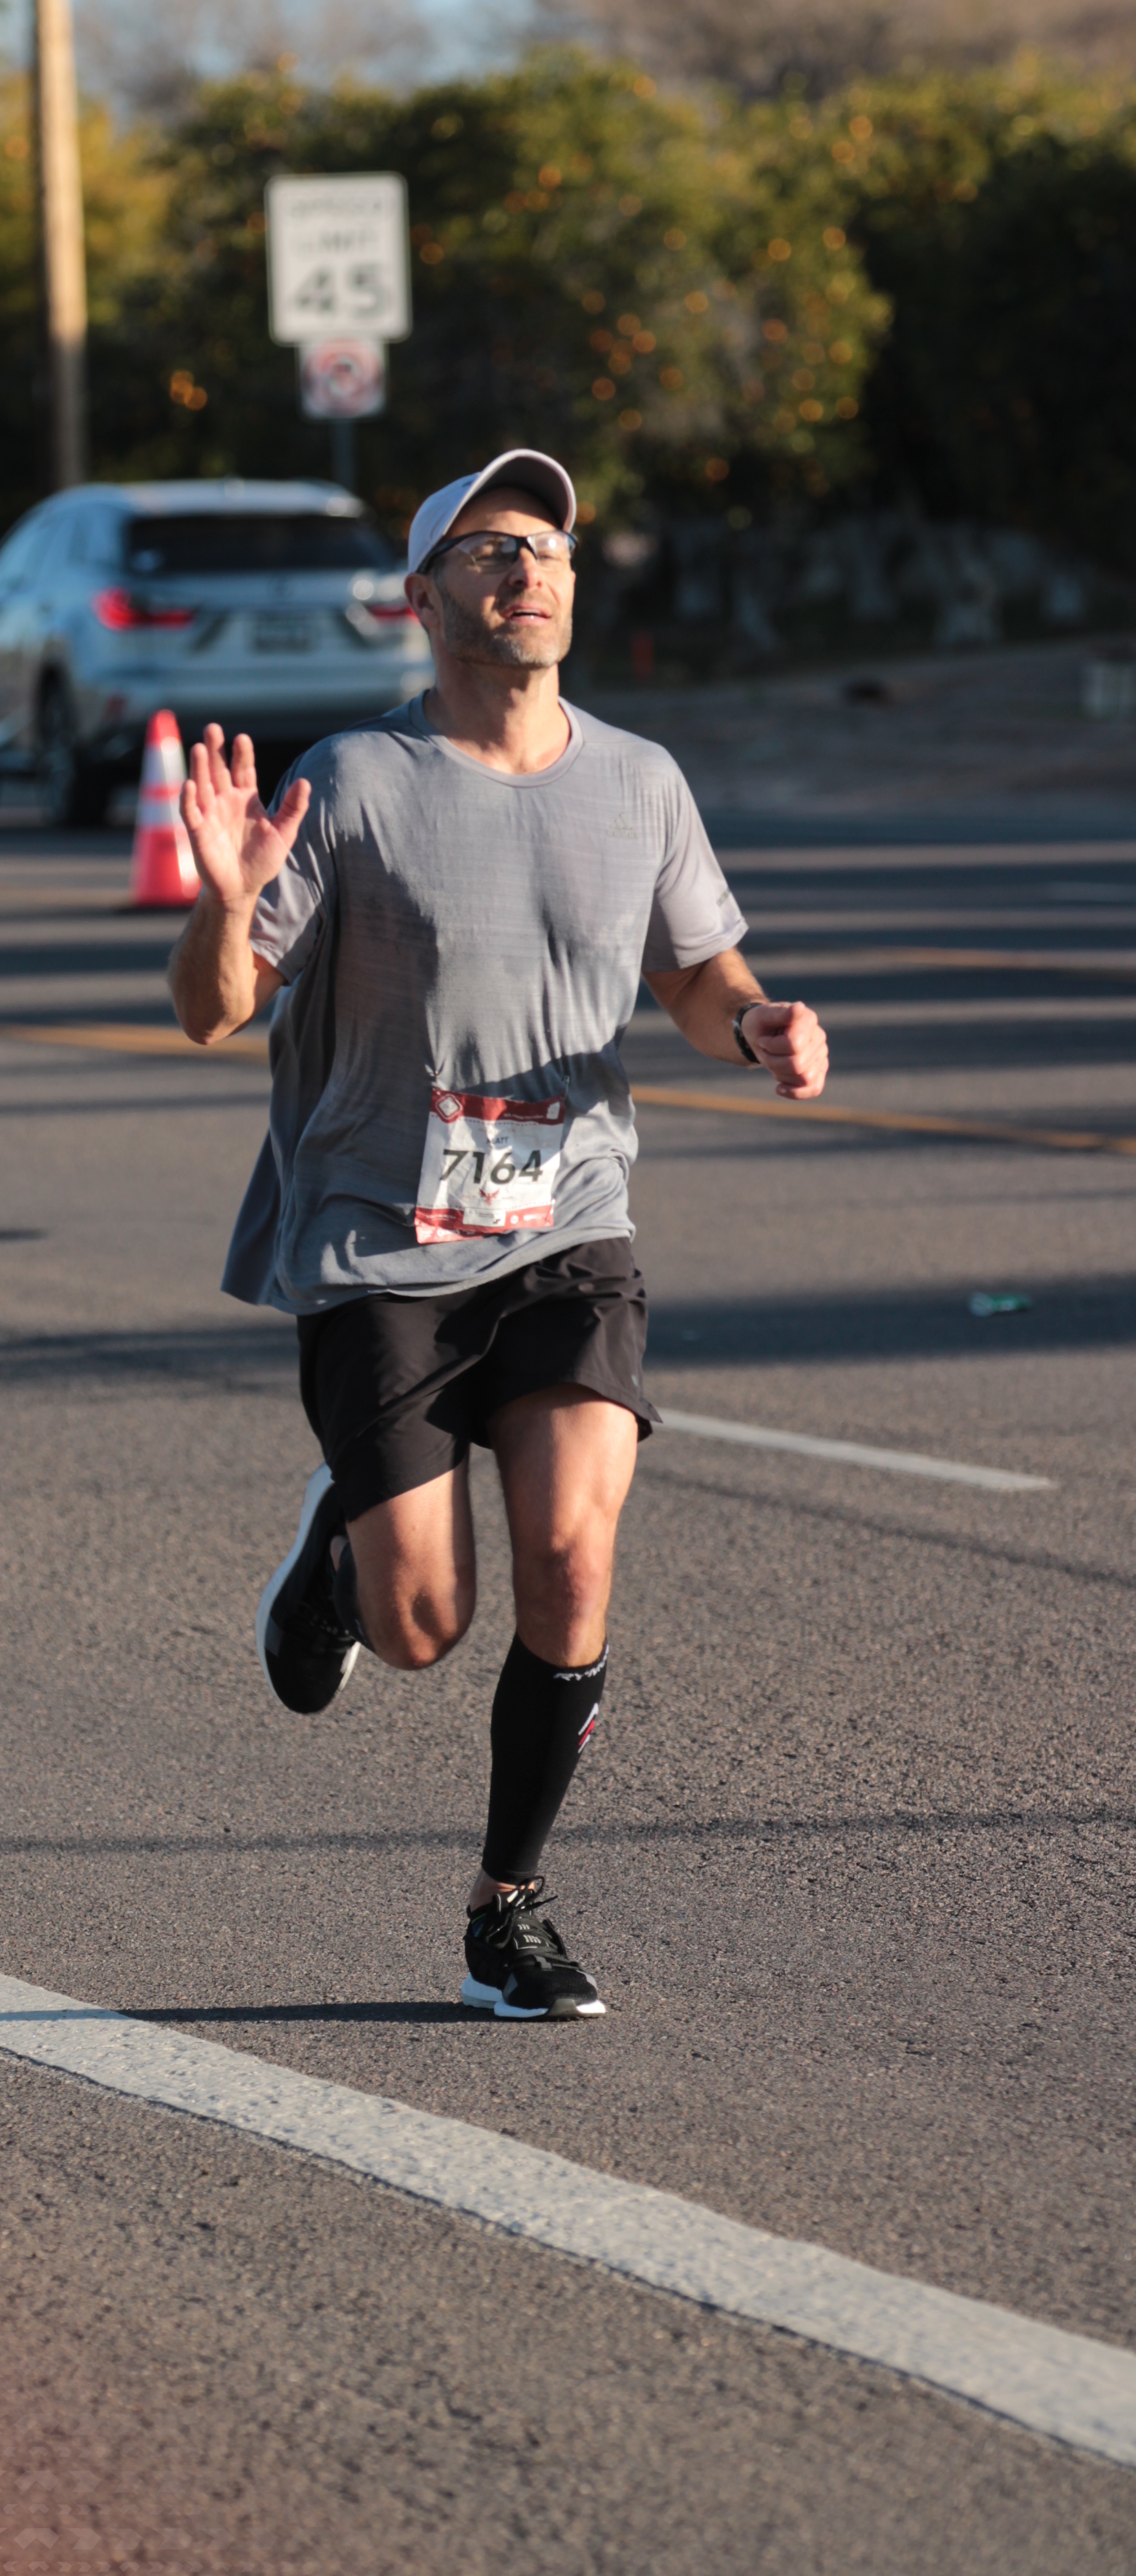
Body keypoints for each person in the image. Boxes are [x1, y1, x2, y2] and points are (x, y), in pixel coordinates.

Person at [167, 449, 828, 2020]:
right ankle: (337, 1562)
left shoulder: (639, 781)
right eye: (483, 551)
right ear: (423, 598)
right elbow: (210, 1013)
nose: (523, 570)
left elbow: (695, 974)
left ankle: (506, 1911)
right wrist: (221, 903)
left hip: (564, 1225)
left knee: (571, 1557)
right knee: (421, 1627)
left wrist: (755, 1024)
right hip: (379, 1240)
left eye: (544, 547)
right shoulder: (353, 782)